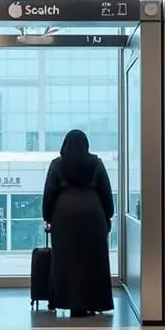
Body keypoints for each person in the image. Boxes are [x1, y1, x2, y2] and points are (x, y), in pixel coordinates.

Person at [42, 129, 114, 316]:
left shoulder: (57, 165)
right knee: (94, 261)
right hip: (93, 216)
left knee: (65, 261)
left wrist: (47, 217)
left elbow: (49, 193)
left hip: (64, 217)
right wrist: (108, 215)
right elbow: (106, 192)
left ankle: (66, 300)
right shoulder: (96, 163)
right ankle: (94, 302)